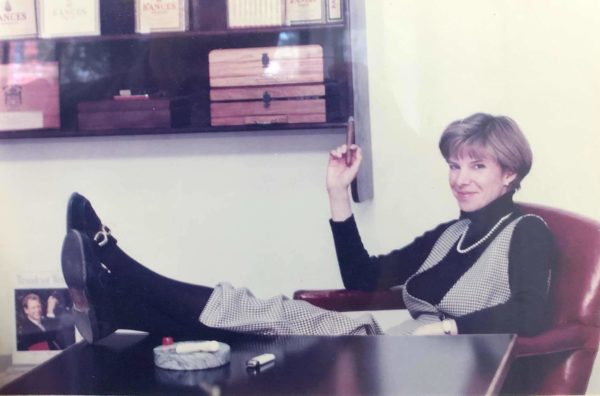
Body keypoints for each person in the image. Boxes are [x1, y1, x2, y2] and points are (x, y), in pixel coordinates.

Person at [61, 112, 555, 344]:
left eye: (477, 167)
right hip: (400, 352)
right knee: (269, 319)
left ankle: (118, 275)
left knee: (270, 322)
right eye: (454, 166)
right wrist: (339, 193)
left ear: (510, 172)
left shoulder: (526, 231)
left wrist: (447, 327)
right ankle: (117, 299)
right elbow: (364, 279)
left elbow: (532, 315)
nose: (460, 179)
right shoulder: (451, 235)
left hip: (440, 368)